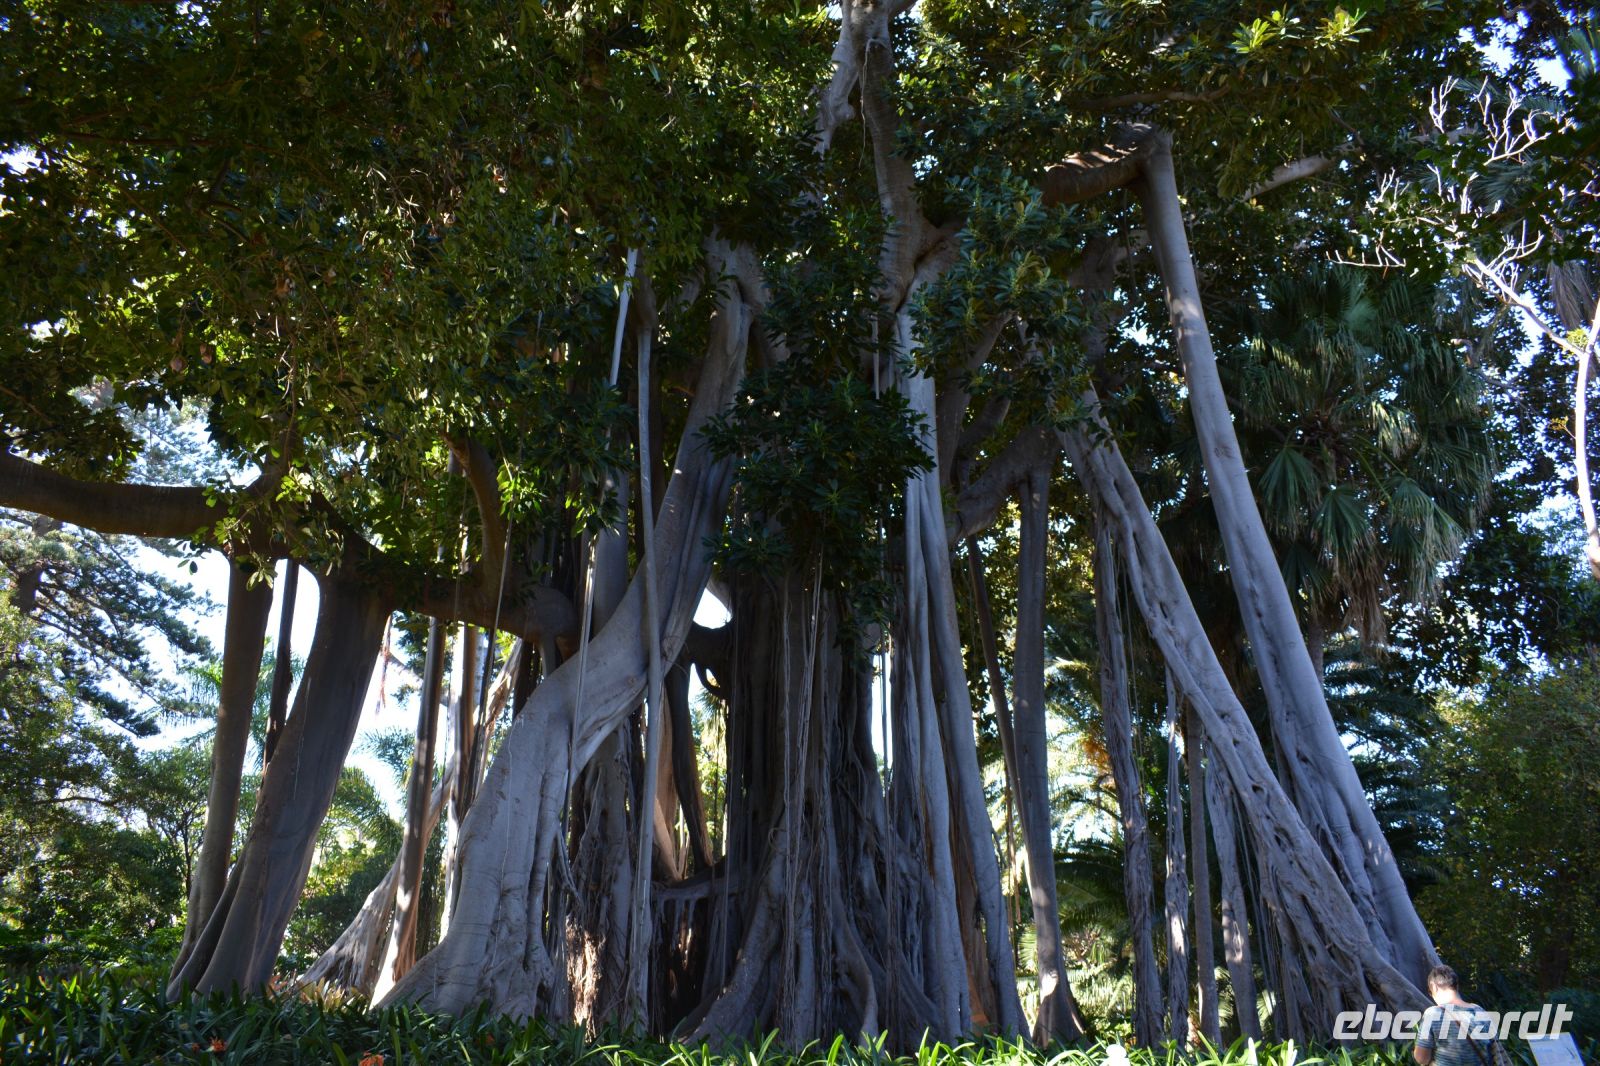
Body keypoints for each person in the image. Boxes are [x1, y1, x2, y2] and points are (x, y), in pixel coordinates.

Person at [1415, 965, 1501, 1066]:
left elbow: (1422, 1059)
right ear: (1457, 986)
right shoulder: (1480, 1011)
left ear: (1434, 987)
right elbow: (1493, 1050)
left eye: (1430, 992)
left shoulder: (1433, 1014)